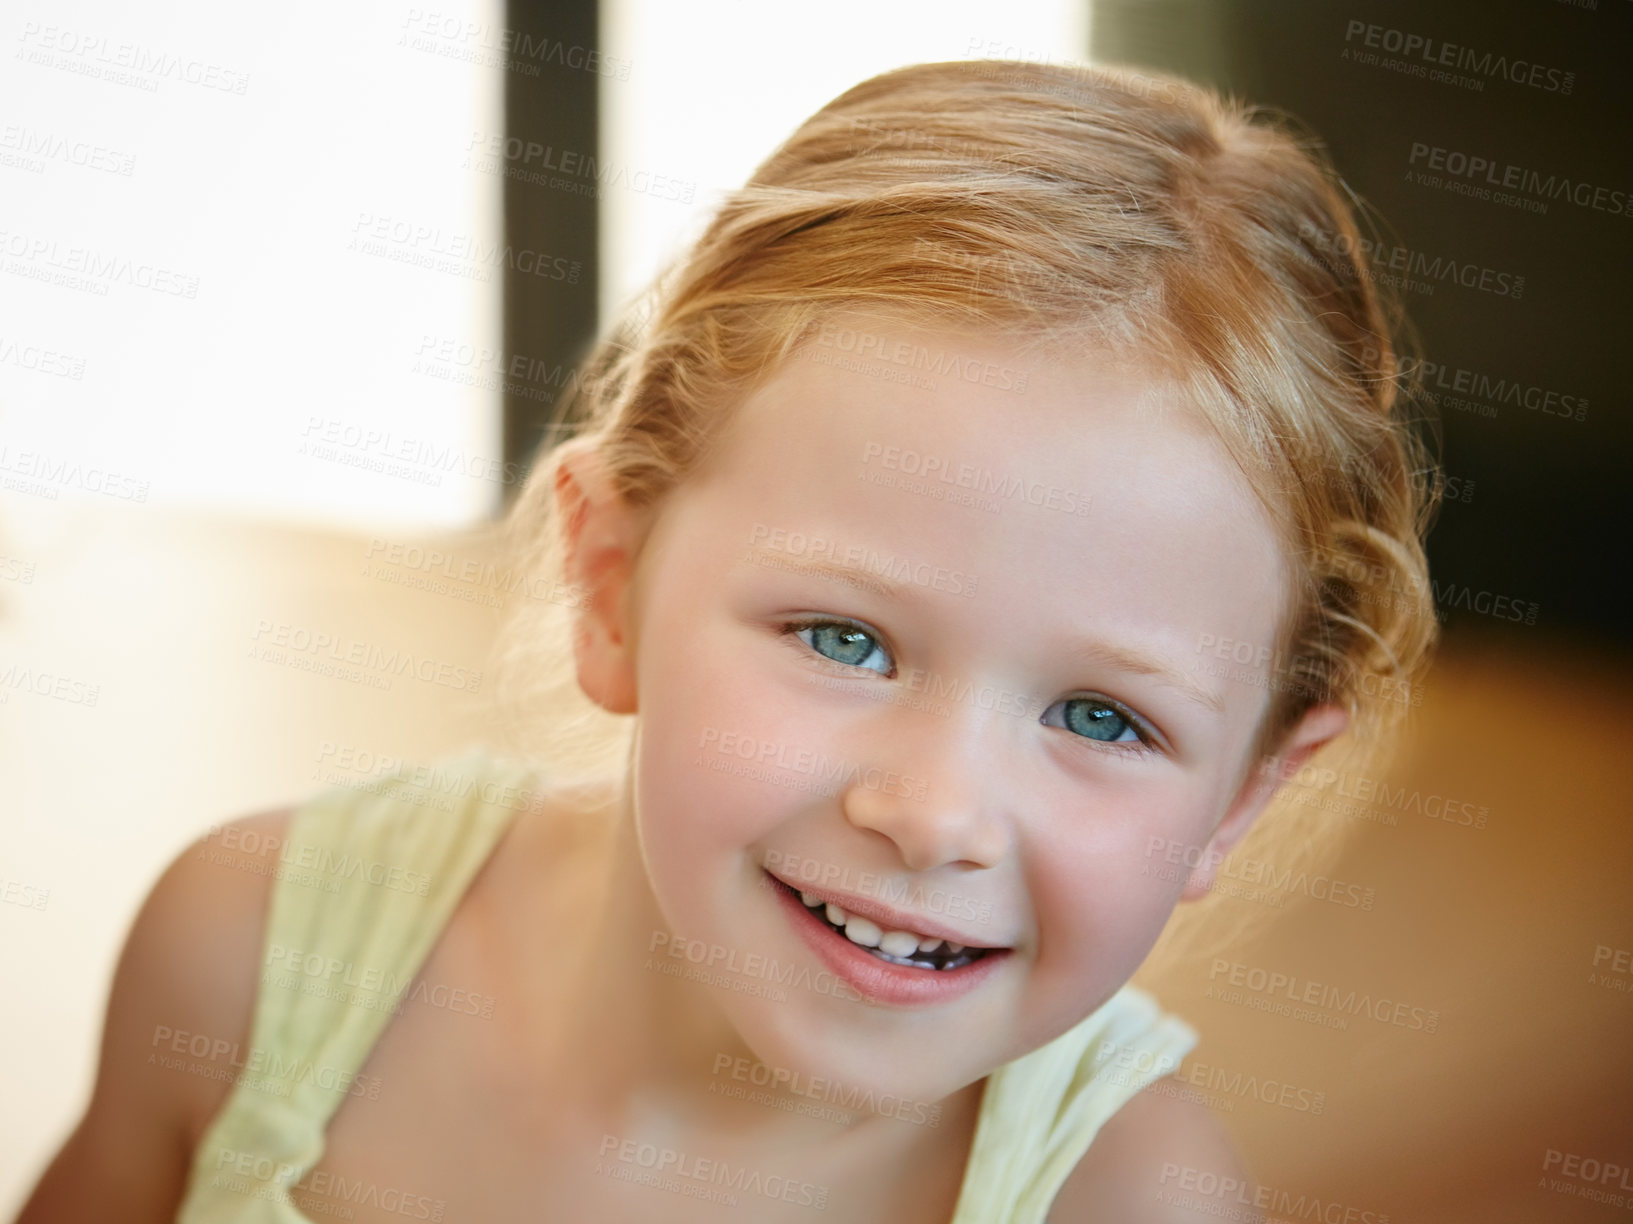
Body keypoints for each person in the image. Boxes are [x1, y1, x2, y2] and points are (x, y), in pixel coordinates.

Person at [14, 58, 1439, 1223]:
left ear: (1242, 795)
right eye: (845, 638)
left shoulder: (1126, 1204)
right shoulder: (252, 958)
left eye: (1101, 719)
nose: (934, 814)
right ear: (609, 576)